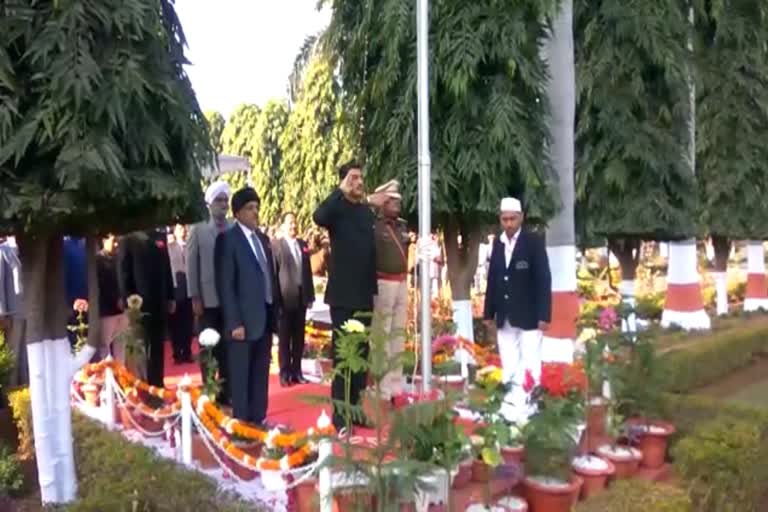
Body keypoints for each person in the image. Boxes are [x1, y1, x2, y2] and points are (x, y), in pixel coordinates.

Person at [313, 161, 387, 430]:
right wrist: (339, 191)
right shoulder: (336, 209)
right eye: (353, 178)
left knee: (361, 360)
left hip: (364, 295)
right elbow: (318, 217)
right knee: (345, 358)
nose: (358, 182)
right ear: (343, 181)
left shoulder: (366, 212)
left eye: (360, 178)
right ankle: (341, 416)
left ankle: (355, 410)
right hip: (343, 297)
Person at [483, 197, 551, 422]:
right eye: (505, 219)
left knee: (531, 359)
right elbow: (493, 278)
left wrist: (544, 314)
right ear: (500, 219)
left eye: (513, 219)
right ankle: (511, 403)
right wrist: (488, 313)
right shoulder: (498, 243)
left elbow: (543, 279)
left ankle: (532, 404)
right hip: (504, 314)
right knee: (509, 360)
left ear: (521, 218)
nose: (509, 223)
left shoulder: (533, 242)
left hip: (530, 314)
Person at [215, 187, 279, 425]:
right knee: (241, 375)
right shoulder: (228, 240)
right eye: (250, 208)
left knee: (260, 373)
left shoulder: (262, 239)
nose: (255, 213)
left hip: (264, 317)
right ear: (238, 212)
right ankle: (241, 424)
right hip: (242, 321)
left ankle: (258, 418)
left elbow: (269, 277)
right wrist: (234, 322)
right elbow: (226, 284)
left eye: (256, 208)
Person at [187, 181, 232, 403]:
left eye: (226, 200)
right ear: (210, 203)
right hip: (207, 299)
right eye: (219, 200)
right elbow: (191, 264)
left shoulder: (233, 227)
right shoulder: (198, 227)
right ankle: (208, 390)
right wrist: (194, 295)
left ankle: (225, 392)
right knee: (207, 347)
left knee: (226, 348)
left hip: (229, 300)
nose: (223, 204)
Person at [117, 228, 176, 387]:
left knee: (158, 344)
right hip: (138, 302)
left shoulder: (159, 236)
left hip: (160, 299)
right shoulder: (127, 238)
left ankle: (157, 384)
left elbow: (167, 267)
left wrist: (171, 295)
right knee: (139, 347)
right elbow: (123, 271)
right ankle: (140, 385)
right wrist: (126, 297)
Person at [371, 180, 410, 399]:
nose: (397, 204)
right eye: (392, 200)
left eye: (398, 201)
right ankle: (382, 388)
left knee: (398, 335)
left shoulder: (402, 226)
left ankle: (396, 385)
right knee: (382, 337)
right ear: (383, 202)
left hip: (401, 282)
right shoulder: (374, 225)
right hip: (383, 283)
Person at [272, 212, 315, 387]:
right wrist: (276, 300)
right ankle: (285, 373)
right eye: (290, 223)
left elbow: (308, 272)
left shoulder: (302, 245)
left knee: (298, 337)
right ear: (283, 226)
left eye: (295, 223)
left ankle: (297, 371)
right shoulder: (277, 246)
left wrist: (310, 295)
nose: (293, 226)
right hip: (284, 298)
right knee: (284, 338)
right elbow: (274, 275)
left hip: (301, 297)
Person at [96, 234, 128, 361]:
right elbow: (101, 285)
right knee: (105, 347)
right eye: (113, 241)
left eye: (118, 241)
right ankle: (107, 377)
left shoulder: (120, 259)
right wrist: (115, 299)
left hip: (122, 310)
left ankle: (121, 376)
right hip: (106, 311)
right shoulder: (97, 260)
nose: (116, 245)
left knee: (121, 346)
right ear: (104, 240)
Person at [169, 224, 193, 363]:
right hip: (176, 286)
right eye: (179, 228)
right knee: (176, 322)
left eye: (184, 228)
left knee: (188, 322)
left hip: (189, 286)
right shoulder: (170, 246)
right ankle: (177, 352)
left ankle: (187, 351)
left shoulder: (190, 245)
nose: (183, 230)